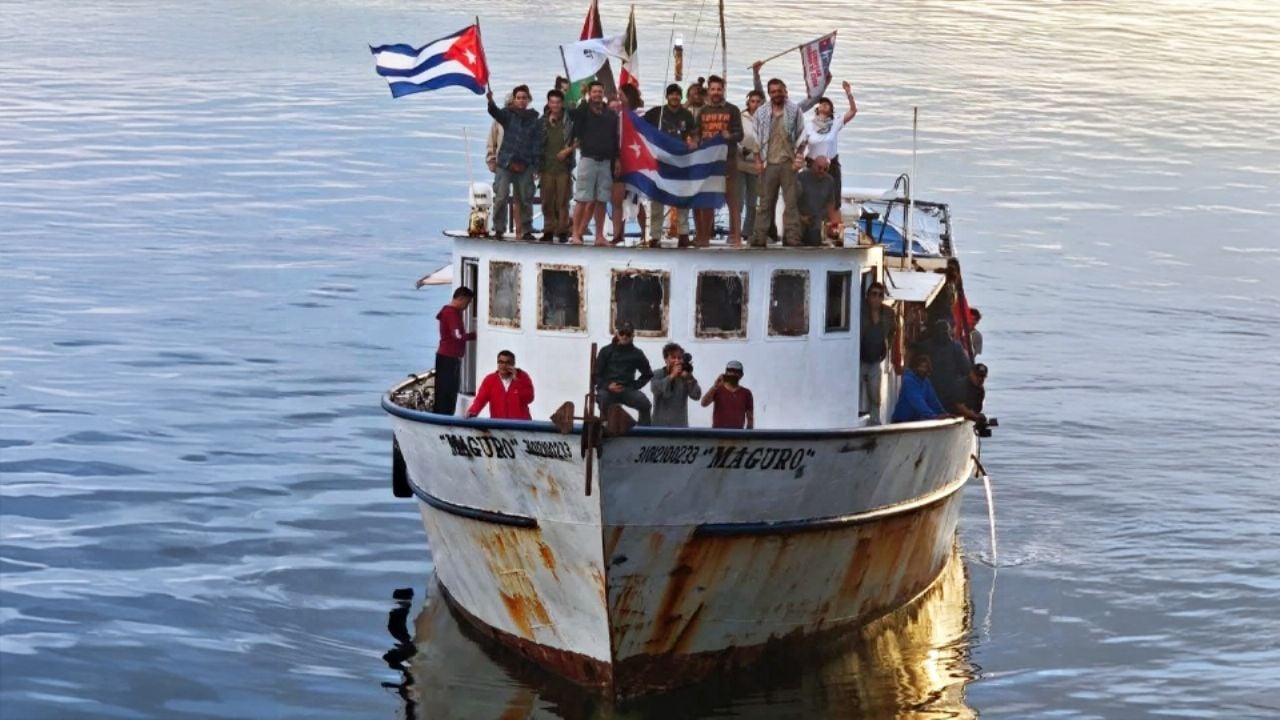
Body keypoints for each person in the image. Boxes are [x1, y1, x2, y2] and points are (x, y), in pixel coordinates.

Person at [749, 73, 807, 247]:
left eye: (779, 91)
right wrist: (757, 161)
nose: (776, 94)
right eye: (773, 92)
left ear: (785, 91)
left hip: (788, 163)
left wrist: (799, 158)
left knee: (791, 203)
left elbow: (802, 136)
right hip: (768, 163)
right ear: (769, 93)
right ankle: (760, 237)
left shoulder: (794, 110)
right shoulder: (761, 112)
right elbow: (756, 139)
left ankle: (792, 237)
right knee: (765, 203)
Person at [486, 85, 544, 241]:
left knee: (525, 198)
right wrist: (490, 101)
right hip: (505, 163)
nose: (521, 101)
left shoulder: (534, 119)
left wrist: (537, 166)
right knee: (501, 196)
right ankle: (498, 228)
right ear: (514, 99)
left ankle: (526, 230)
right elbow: (494, 112)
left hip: (525, 165)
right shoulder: (507, 115)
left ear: (528, 100)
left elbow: (536, 144)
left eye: (524, 98)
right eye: (518, 98)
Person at [694, 75, 744, 246]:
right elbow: (696, 134)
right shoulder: (703, 111)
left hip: (727, 161)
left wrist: (729, 135)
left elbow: (740, 134)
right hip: (708, 162)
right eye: (713, 89)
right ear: (709, 90)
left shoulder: (733, 110)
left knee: (732, 200)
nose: (716, 92)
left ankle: (735, 236)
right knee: (707, 200)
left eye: (719, 89)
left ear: (723, 90)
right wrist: (695, 141)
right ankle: (704, 237)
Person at [643, 84, 696, 247]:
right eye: (672, 94)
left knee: (682, 198)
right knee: (657, 198)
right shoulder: (656, 113)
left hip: (680, 162)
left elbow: (693, 135)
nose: (675, 97)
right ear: (667, 96)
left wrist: (692, 142)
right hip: (660, 162)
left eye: (677, 95)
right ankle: (655, 235)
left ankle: (683, 234)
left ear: (681, 97)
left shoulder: (687, 115)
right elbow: (640, 126)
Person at [568, 81, 619, 246]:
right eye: (594, 91)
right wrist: (582, 98)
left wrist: (616, 159)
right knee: (582, 199)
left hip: (605, 162)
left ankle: (599, 236)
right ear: (590, 93)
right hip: (588, 159)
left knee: (602, 200)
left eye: (600, 91)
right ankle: (575, 234)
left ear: (603, 93)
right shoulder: (584, 111)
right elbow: (573, 115)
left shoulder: (611, 114)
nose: (597, 94)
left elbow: (615, 138)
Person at [804, 81, 857, 201]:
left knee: (833, 199)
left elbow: (853, 111)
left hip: (831, 165)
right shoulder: (808, 125)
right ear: (817, 109)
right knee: (812, 199)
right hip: (812, 165)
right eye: (821, 104)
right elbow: (802, 144)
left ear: (831, 110)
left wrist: (849, 93)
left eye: (827, 104)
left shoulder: (835, 123)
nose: (823, 105)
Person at [594, 322, 654, 425]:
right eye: (622, 333)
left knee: (645, 404)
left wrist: (634, 385)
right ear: (617, 334)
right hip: (608, 390)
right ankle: (604, 428)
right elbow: (596, 375)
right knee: (603, 399)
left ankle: (644, 433)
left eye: (628, 334)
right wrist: (608, 386)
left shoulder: (637, 353)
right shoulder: (606, 351)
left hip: (627, 389)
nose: (624, 336)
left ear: (632, 336)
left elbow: (648, 374)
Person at [610, 84, 647, 244]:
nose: (619, 99)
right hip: (619, 161)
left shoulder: (640, 115)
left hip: (636, 162)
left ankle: (645, 233)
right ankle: (618, 234)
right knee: (618, 199)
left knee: (637, 200)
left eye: (621, 95)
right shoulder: (616, 116)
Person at [539, 89, 575, 242]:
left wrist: (568, 151)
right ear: (548, 103)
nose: (555, 105)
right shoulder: (541, 122)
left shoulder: (569, 121)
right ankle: (548, 230)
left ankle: (562, 231)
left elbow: (578, 139)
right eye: (552, 102)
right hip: (546, 167)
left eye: (558, 102)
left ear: (562, 103)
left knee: (562, 201)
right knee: (547, 200)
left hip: (563, 168)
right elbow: (536, 144)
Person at [434, 287, 476, 415]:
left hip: (446, 355)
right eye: (467, 302)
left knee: (444, 389)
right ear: (461, 298)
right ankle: (444, 416)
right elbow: (457, 335)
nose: (467, 306)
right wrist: (474, 335)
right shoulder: (451, 313)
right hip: (449, 356)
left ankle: (442, 414)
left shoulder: (449, 312)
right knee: (447, 390)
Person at [859, 281, 896, 424]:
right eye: (874, 294)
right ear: (868, 296)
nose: (877, 298)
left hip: (875, 360)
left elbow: (893, 330)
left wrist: (888, 346)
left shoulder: (888, 313)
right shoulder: (860, 310)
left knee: (875, 395)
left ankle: (875, 422)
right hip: (859, 359)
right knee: (853, 392)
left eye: (880, 295)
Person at [467, 350, 535, 420]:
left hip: (520, 426)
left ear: (513, 364)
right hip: (499, 426)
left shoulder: (523, 377)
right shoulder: (490, 380)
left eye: (507, 363)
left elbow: (529, 398)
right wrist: (472, 411)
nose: (504, 365)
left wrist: (517, 381)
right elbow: (480, 400)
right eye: (501, 362)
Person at [920, 319, 972, 411]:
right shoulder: (955, 346)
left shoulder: (927, 345)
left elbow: (966, 369)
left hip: (934, 389)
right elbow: (966, 369)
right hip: (946, 389)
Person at [650, 343, 702, 427]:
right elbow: (655, 389)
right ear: (666, 359)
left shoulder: (685, 376)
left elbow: (696, 396)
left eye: (679, 358)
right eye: (673, 357)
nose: (677, 361)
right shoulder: (657, 373)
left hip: (680, 428)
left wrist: (689, 378)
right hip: (658, 427)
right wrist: (671, 376)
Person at [796, 155, 842, 246]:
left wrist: (834, 225)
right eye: (819, 168)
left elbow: (830, 205)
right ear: (813, 165)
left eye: (825, 169)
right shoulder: (801, 177)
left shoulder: (829, 181)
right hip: (799, 217)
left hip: (816, 220)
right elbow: (791, 201)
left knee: (814, 241)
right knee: (794, 241)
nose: (822, 171)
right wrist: (800, 217)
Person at [891, 354, 949, 423]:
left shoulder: (925, 381)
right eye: (921, 367)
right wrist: (934, 416)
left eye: (926, 367)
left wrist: (945, 414)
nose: (923, 370)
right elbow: (917, 401)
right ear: (914, 367)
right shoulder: (908, 380)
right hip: (901, 422)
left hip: (915, 421)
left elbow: (933, 400)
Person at [739, 89, 764, 242]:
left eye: (758, 102)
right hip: (741, 161)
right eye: (753, 101)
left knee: (752, 200)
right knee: (739, 198)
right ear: (748, 102)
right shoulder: (741, 117)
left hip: (757, 163)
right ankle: (734, 230)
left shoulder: (766, 118)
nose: (755, 104)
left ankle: (747, 231)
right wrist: (741, 149)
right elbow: (736, 137)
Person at [700, 360, 754, 429]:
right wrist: (715, 386)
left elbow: (750, 418)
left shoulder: (746, 393)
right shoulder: (717, 389)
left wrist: (748, 437)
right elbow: (703, 403)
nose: (733, 374)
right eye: (730, 371)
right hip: (718, 434)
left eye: (736, 371)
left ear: (741, 375)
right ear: (725, 372)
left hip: (738, 435)